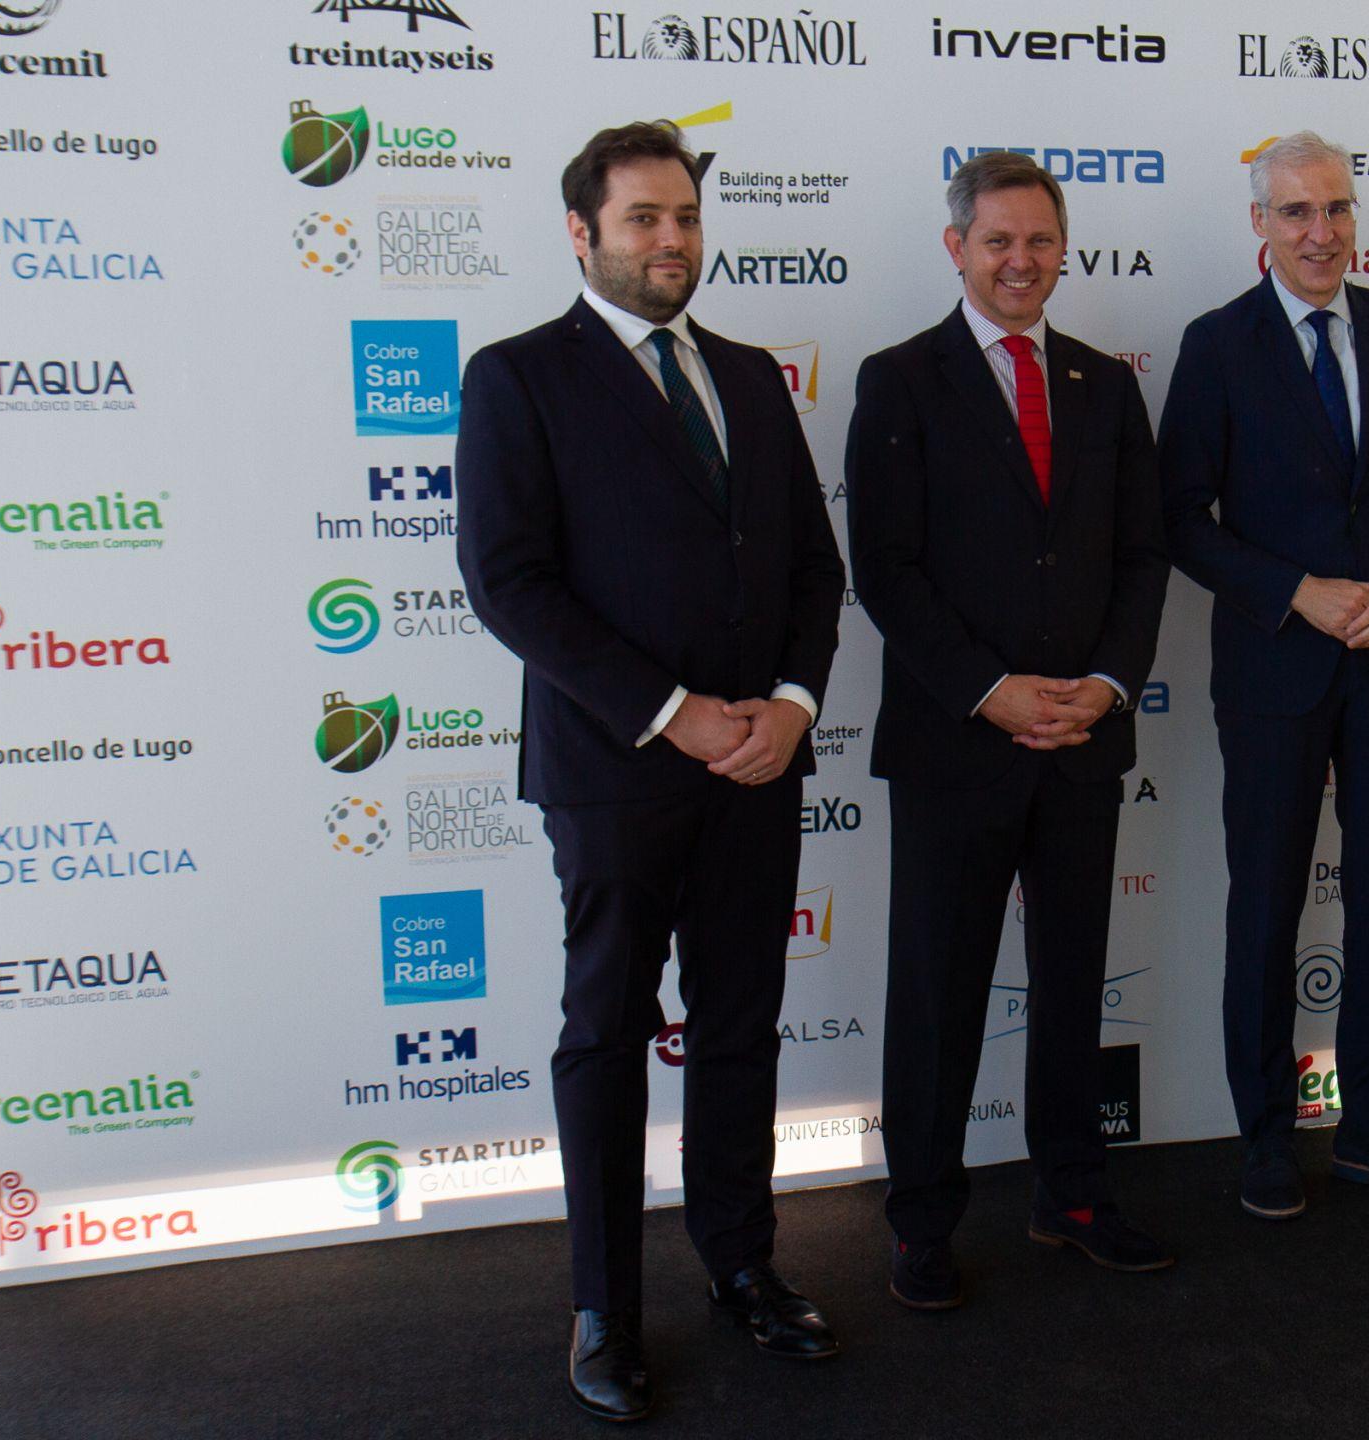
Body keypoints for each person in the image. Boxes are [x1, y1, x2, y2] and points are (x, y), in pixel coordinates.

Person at [456, 120, 848, 1422]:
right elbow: (508, 582)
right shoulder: (518, 378)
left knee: (740, 1027)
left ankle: (744, 1267)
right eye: (643, 219)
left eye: (683, 216)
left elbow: (813, 569)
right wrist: (675, 714)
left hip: (759, 768)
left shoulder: (746, 372)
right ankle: (604, 1311)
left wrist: (793, 705)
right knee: (607, 1038)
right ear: (583, 233)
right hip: (618, 771)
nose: (670, 239)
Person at [846, 151, 1173, 1309]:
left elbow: (1142, 556)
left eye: (1040, 241)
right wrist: (989, 689)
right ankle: (922, 1222)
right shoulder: (899, 381)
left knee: (1076, 981)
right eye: (998, 242)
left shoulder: (1101, 384)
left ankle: (1072, 1195)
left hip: (1083, 737)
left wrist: (1108, 680)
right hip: (956, 743)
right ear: (957, 248)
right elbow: (883, 567)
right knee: (939, 989)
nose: (1021, 262)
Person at [1158, 131, 1369, 1220]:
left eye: (1335, 209)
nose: (1320, 232)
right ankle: (1263, 1138)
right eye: (1295, 213)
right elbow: (1179, 520)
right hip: (1274, 668)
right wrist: (1294, 591)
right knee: (1266, 904)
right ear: (1259, 223)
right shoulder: (1215, 345)